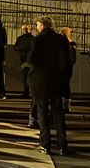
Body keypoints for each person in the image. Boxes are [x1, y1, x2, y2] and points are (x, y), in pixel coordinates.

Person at [28, 16, 71, 155]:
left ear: (43, 25)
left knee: (42, 112)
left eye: (38, 25)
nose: (37, 27)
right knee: (58, 113)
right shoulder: (61, 40)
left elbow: (32, 59)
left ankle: (45, 144)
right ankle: (62, 144)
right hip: (57, 81)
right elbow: (67, 62)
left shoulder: (38, 39)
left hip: (41, 81)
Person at [13, 25, 34, 98]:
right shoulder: (32, 39)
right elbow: (15, 48)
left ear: (30, 30)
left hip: (30, 60)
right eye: (23, 29)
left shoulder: (32, 39)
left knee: (29, 78)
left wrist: (20, 48)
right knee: (26, 77)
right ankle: (27, 92)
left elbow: (16, 47)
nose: (25, 30)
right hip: (25, 60)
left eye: (26, 29)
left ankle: (28, 92)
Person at [59, 27, 77, 113]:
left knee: (61, 87)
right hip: (67, 69)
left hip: (61, 69)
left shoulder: (63, 44)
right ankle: (66, 106)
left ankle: (61, 105)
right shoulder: (71, 45)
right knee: (66, 87)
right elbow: (73, 60)